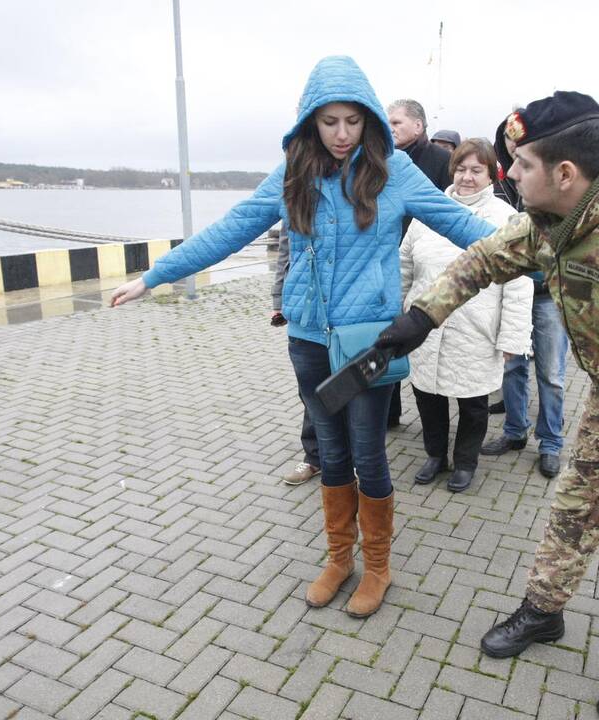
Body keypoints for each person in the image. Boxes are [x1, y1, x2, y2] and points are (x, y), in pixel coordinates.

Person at [374, 91, 599, 720]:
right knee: (571, 510)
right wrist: (419, 318)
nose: (508, 174)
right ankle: (544, 613)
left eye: (521, 165)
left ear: (564, 174)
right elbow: (483, 260)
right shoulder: (551, 222)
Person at [110, 56, 495, 618]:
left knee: (369, 453)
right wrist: (155, 276)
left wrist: (544, 259)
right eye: (330, 121)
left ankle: (379, 566)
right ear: (311, 121)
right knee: (330, 451)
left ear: (370, 122)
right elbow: (230, 229)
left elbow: (470, 230)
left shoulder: (397, 173)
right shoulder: (292, 173)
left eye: (353, 122)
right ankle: (340, 557)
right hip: (309, 340)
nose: (342, 135)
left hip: (368, 344)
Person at [400, 138, 533, 492]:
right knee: (427, 396)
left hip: (477, 329)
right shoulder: (430, 211)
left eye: (477, 170)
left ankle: (465, 461)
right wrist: (397, 316)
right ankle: (434, 455)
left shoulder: (506, 219)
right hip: (425, 327)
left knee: (473, 403)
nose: (467, 177)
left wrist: (512, 339)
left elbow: (519, 287)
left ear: (491, 175)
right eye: (461, 169)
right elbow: (404, 266)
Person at [485, 112, 571, 480]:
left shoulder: (552, 183)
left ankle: (550, 442)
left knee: (550, 372)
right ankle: (514, 432)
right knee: (512, 365)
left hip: (549, 293)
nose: (514, 144)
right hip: (509, 290)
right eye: (508, 136)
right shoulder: (498, 183)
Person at [387, 98, 454, 428]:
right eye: (388, 122)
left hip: (425, 261)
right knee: (386, 334)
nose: (390, 128)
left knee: (419, 337)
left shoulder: (442, 161)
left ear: (418, 125)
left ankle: (434, 415)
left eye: (397, 122)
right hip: (388, 261)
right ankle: (389, 410)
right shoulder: (383, 160)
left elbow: (451, 213)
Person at [270, 225, 321, 485]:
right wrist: (278, 300)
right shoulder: (295, 195)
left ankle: (352, 459)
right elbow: (285, 254)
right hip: (305, 310)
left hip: (348, 312)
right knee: (310, 391)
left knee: (349, 388)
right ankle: (314, 458)